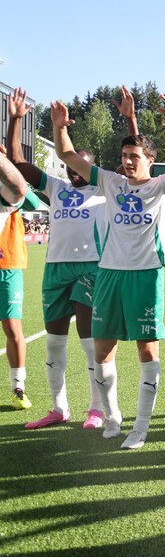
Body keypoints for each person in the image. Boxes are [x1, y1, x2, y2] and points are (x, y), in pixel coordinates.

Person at [51, 90, 165, 450]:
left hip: (145, 277)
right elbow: (65, 154)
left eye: (134, 156)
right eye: (124, 156)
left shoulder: (164, 186)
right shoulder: (111, 181)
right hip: (108, 275)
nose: (128, 162)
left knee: (147, 353)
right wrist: (60, 128)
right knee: (103, 351)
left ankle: (140, 428)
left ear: (150, 160)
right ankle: (112, 416)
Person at [6, 86, 104, 428]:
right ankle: (59, 409)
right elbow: (18, 165)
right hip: (55, 271)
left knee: (90, 344)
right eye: (72, 168)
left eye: (82, 168)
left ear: (91, 169)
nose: (76, 173)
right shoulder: (57, 188)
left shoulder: (105, 191)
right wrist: (15, 120)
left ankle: (95, 408)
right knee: (54, 344)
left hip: (91, 270)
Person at [0, 95, 45, 413]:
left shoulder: (9, 192)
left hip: (7, 263)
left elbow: (22, 192)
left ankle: (18, 386)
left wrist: (14, 121)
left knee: (12, 327)